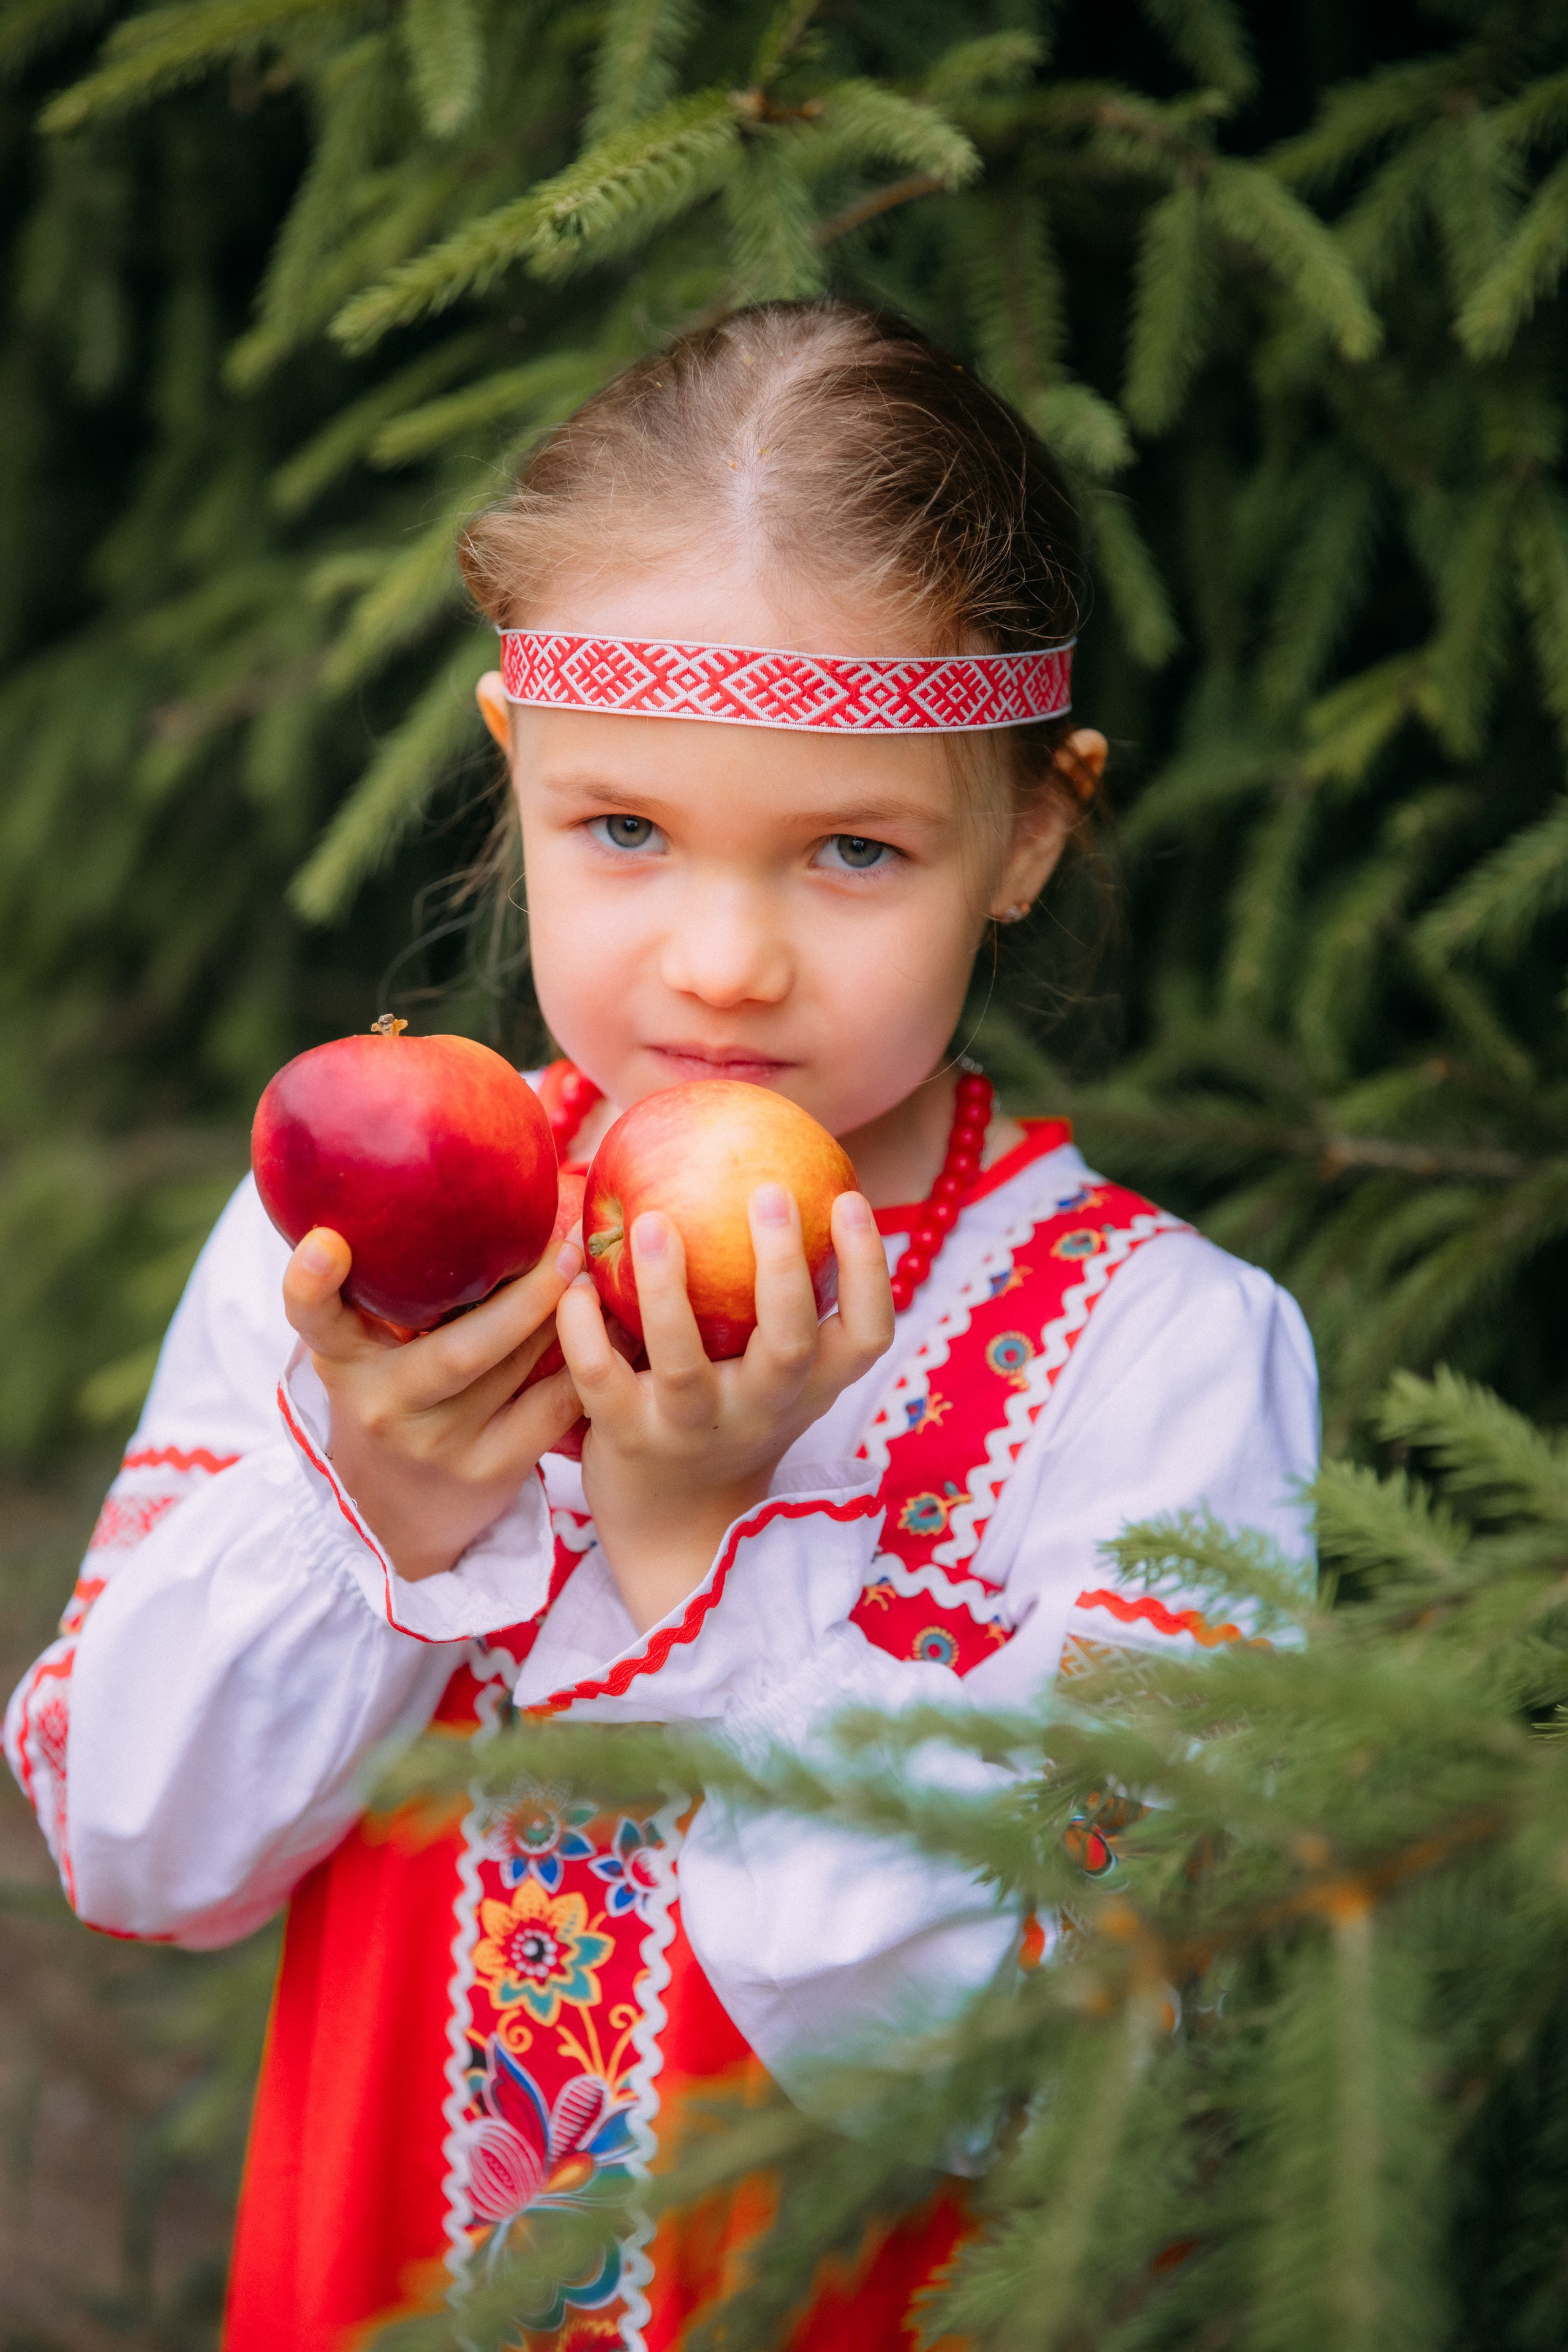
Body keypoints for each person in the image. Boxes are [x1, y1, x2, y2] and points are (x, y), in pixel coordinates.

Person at [5, 301, 1317, 2350]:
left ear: (1032, 830)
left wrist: (709, 1558)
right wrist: (379, 1508)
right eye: (624, 829)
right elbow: (142, 1849)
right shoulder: (354, 1268)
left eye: (855, 852)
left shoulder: (1147, 1356)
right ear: (518, 764)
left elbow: (1068, 2067)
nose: (722, 964)